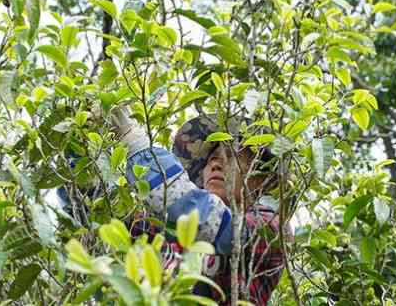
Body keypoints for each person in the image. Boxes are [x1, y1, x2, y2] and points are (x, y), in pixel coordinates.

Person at [60, 106, 290, 304]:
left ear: (259, 178)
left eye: (230, 155)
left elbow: (211, 223)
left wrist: (135, 142)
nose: (215, 164)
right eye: (211, 159)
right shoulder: (169, 231)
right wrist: (77, 146)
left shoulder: (269, 226)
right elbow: (102, 214)